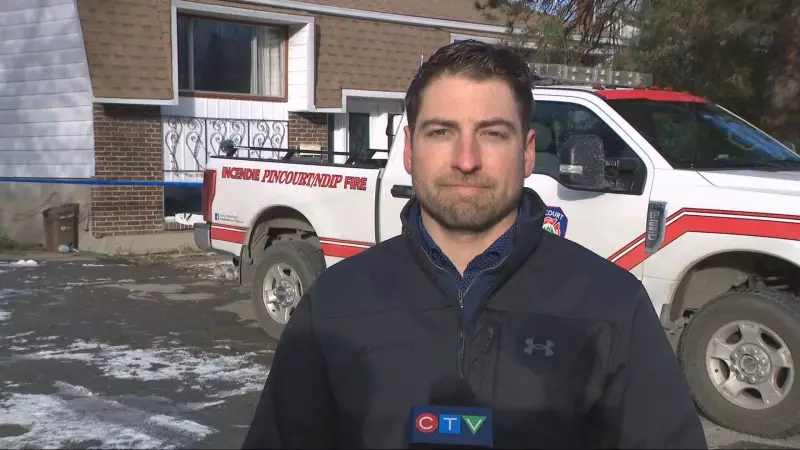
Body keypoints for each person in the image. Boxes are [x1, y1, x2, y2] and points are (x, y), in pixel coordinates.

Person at [242, 40, 708, 449]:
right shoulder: (332, 305)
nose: (466, 160)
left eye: (492, 134)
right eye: (442, 132)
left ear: (527, 152)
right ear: (409, 150)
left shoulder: (614, 307)